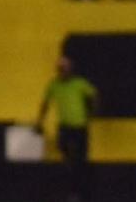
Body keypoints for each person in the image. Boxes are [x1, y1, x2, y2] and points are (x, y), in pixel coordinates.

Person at [36, 56, 98, 194]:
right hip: (65, 126)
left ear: (71, 70)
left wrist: (92, 112)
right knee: (63, 148)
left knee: (82, 158)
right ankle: (72, 171)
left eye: (64, 68)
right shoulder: (53, 85)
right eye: (59, 69)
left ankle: (82, 187)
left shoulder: (79, 83)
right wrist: (39, 121)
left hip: (80, 125)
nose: (62, 71)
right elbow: (45, 104)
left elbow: (93, 94)